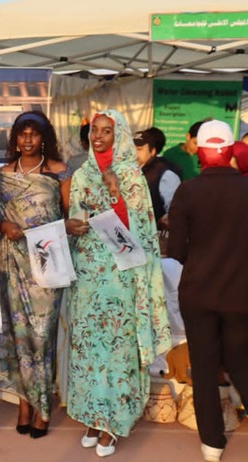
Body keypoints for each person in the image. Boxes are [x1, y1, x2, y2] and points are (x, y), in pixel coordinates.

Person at [66, 110, 170, 458]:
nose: (98, 137)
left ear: (119, 135)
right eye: (94, 130)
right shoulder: (82, 173)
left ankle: (113, 422)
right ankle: (93, 416)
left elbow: (140, 231)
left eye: (106, 131)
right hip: (89, 276)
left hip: (122, 278)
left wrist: (114, 190)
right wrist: (71, 225)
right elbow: (76, 214)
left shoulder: (131, 174)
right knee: (89, 349)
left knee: (117, 349)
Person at [168, 120, 248, 462]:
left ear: (200, 152)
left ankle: (212, 444)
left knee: (203, 368)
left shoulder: (187, 191)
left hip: (198, 294)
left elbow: (176, 250)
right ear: (230, 151)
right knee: (241, 363)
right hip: (241, 294)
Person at [0, 111, 70, 440]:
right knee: (18, 338)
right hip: (12, 265)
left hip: (47, 264)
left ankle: (43, 408)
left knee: (42, 338)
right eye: (22, 134)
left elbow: (70, 217)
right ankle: (24, 404)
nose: (27, 140)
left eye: (33, 134)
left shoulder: (59, 172)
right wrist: (3, 224)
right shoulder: (1, 175)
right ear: (14, 138)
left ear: (44, 138)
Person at [134, 128, 181, 227]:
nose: (134, 153)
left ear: (152, 151)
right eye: (131, 149)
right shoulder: (126, 171)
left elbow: (175, 210)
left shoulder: (166, 174)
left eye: (139, 149)